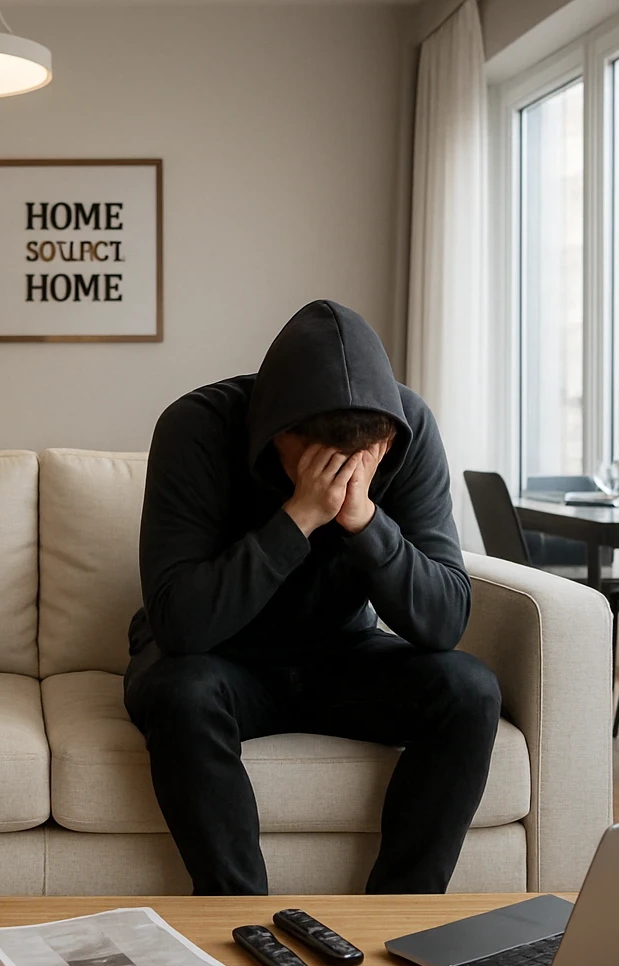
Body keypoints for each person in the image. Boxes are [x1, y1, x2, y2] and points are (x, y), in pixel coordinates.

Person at [124, 298, 501, 897]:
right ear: (277, 432)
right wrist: (297, 517)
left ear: (384, 441)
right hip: (219, 659)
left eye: (358, 461)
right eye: (320, 462)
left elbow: (444, 621)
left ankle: (396, 915)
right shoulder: (195, 425)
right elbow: (180, 626)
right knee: (181, 693)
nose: (340, 477)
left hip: (341, 655)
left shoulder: (409, 427)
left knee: (471, 689)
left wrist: (366, 521)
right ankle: (237, 919)